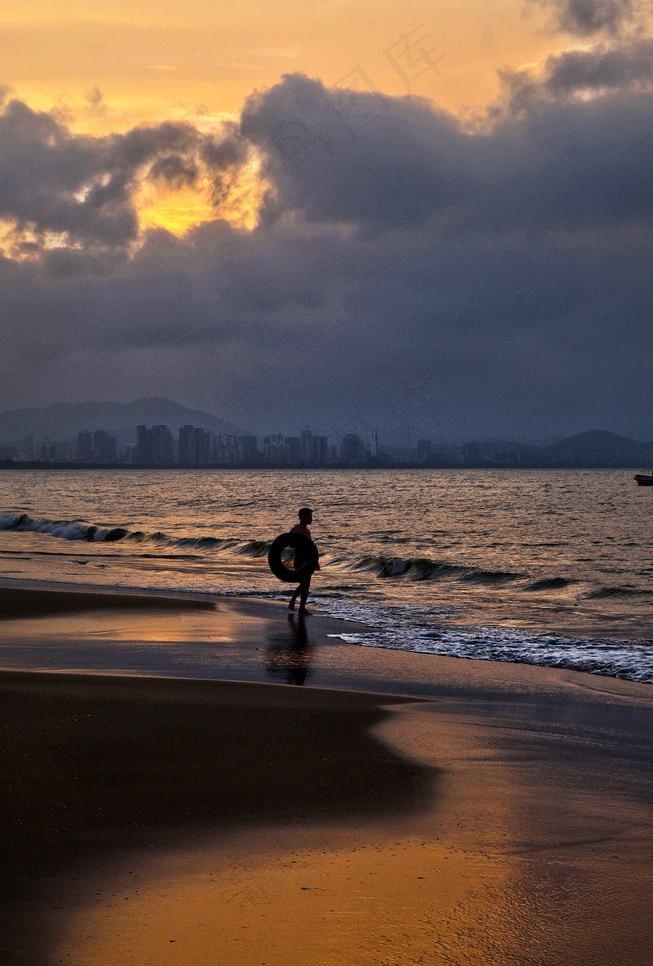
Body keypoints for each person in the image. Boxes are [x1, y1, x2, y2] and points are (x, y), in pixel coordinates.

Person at [288, 507, 319, 616]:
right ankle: (292, 601)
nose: (312, 518)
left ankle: (301, 608)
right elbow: (289, 543)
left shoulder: (307, 531)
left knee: (306, 585)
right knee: (304, 584)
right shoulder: (296, 530)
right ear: (303, 517)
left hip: (308, 560)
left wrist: (316, 562)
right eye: (310, 516)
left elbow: (311, 548)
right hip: (299, 559)